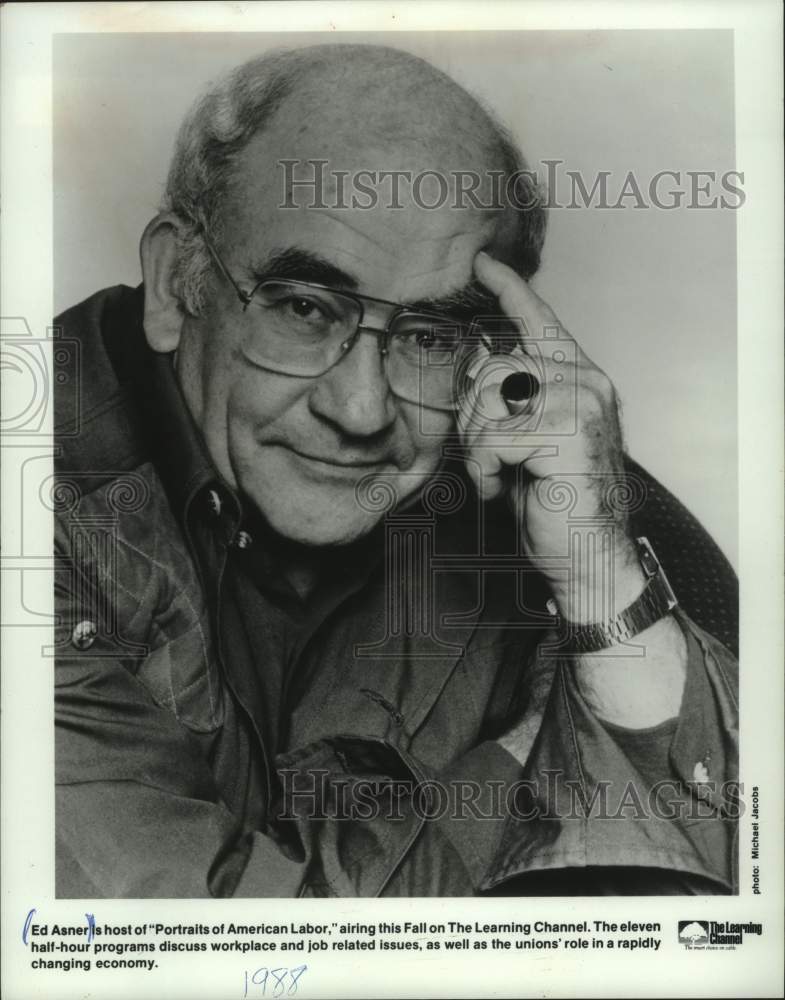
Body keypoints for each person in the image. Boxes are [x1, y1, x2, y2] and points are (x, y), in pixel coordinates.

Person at [54, 43, 739, 897]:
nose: (361, 410)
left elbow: (728, 883)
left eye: (429, 338)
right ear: (172, 284)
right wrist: (545, 756)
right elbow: (191, 950)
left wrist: (597, 577)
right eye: (304, 309)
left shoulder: (534, 492)